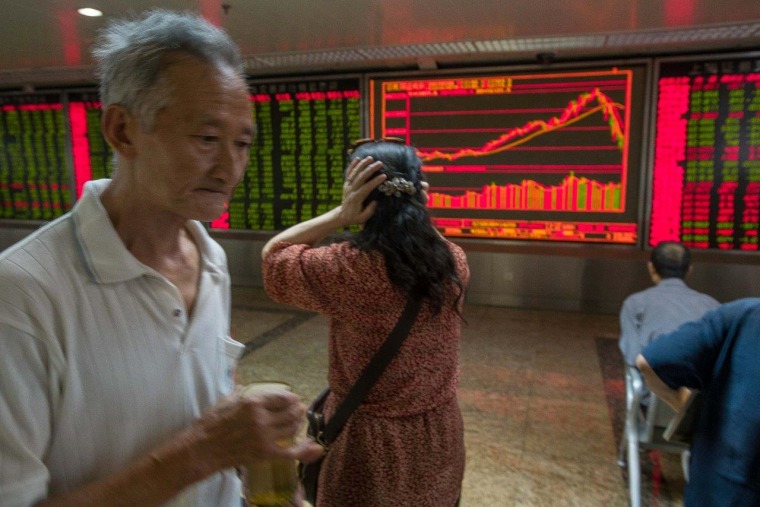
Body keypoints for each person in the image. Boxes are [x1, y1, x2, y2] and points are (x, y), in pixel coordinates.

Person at [0, 10, 319, 507]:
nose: (229, 169)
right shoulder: (23, 295)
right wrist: (200, 453)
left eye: (242, 143)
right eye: (207, 139)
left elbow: (197, 407)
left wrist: (245, 441)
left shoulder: (209, 259)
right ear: (123, 131)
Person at [261, 139, 469, 506]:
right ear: (418, 193)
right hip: (439, 437)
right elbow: (430, 240)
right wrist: (415, 207)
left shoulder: (349, 269)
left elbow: (274, 258)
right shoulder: (453, 262)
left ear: (357, 195)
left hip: (369, 446)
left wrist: (340, 215)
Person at [636, 299, 760, 506]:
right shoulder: (718, 306)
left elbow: (650, 362)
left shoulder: (743, 315)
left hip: (719, 492)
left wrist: (682, 404)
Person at [619, 241, 719, 368]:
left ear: (651, 267)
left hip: (656, 381)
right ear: (689, 270)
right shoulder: (712, 305)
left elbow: (632, 356)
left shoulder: (634, 303)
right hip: (701, 381)